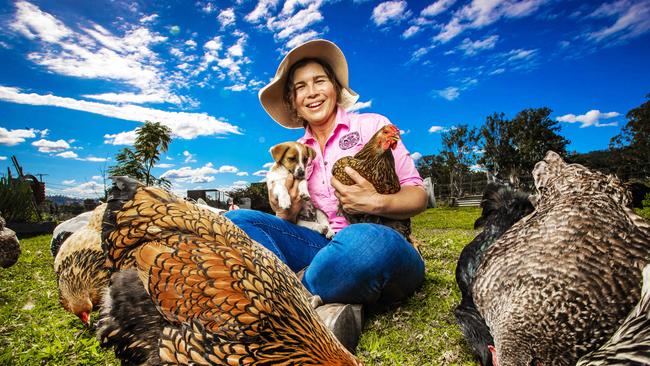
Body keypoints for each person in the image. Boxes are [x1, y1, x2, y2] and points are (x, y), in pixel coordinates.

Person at [224, 39, 426, 349]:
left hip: (379, 242)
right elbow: (292, 219)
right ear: (293, 101)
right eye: (301, 87)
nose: (312, 92)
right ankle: (319, 296)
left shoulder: (372, 125)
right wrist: (285, 214)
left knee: (367, 244)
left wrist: (376, 201)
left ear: (335, 87)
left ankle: (280, 297)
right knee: (236, 221)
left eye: (320, 81)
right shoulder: (293, 154)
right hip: (321, 246)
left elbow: (418, 196)